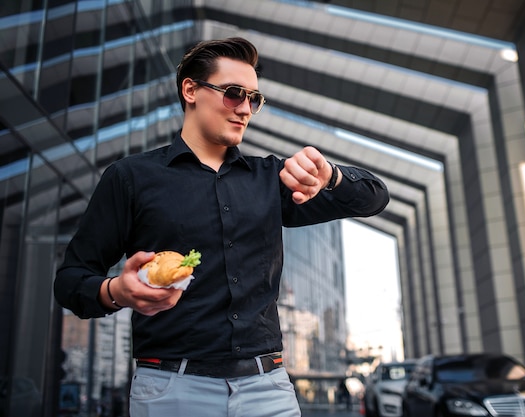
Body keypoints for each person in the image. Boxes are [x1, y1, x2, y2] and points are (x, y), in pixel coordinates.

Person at [54, 37, 389, 417]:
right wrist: (116, 291)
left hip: (269, 389)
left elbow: (374, 198)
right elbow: (70, 281)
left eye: (254, 99)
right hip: (171, 389)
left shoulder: (271, 179)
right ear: (191, 89)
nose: (245, 109)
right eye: (233, 94)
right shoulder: (131, 178)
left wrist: (330, 175)